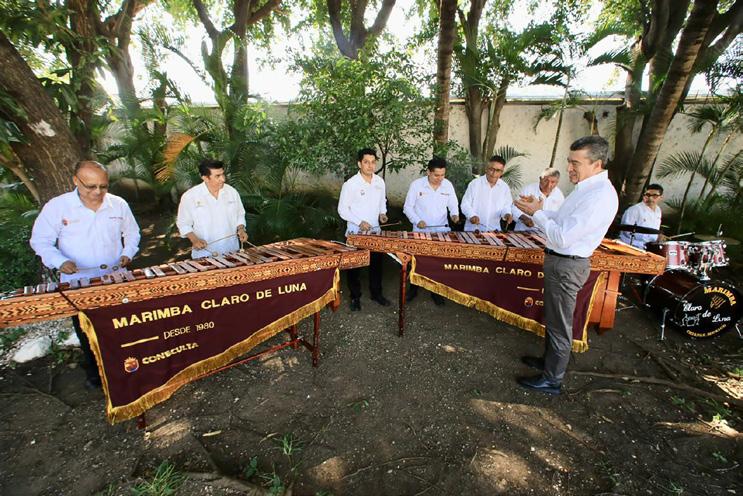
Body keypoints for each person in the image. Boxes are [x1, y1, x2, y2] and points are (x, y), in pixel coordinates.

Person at [513, 136, 618, 395]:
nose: (569, 168)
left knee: (560, 325)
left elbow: (561, 236)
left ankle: (552, 379)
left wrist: (537, 214)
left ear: (597, 164)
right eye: (569, 161)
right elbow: (561, 219)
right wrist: (538, 209)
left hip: (567, 266)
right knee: (553, 319)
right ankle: (549, 363)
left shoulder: (600, 196)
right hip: (560, 262)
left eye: (575, 163)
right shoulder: (585, 189)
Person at [30, 161, 141, 390]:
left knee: (122, 327)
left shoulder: (118, 204)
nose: (98, 192)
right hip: (77, 284)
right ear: (75, 181)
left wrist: (127, 253)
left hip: (115, 278)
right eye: (91, 186)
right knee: (87, 331)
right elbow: (40, 241)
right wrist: (60, 262)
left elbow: (132, 233)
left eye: (103, 186)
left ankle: (129, 369)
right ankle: (96, 375)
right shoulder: (57, 207)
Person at [337, 148, 391, 311]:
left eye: (373, 162)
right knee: (354, 267)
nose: (370, 165)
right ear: (359, 164)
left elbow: (382, 202)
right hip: (356, 233)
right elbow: (342, 210)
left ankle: (376, 294)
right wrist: (359, 222)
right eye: (366, 162)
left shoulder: (379, 182)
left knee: (376, 265)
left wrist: (383, 214)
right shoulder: (350, 184)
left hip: (375, 232)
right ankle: (355, 297)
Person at [403, 157, 459, 305]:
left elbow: (453, 204)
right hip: (420, 231)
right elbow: (407, 207)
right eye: (436, 175)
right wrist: (417, 220)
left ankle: (436, 292)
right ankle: (413, 289)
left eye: (442, 175)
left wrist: (454, 215)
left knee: (437, 263)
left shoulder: (447, 185)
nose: (440, 178)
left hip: (441, 230)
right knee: (417, 261)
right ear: (428, 172)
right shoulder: (417, 185)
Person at [176, 158, 248, 259]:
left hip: (232, 251)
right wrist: (194, 240)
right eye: (217, 176)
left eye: (223, 174)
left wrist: (241, 229)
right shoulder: (190, 196)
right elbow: (183, 224)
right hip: (204, 254)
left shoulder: (232, 192)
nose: (223, 179)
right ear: (205, 178)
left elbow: (240, 214)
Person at [461, 156, 513, 232]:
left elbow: (506, 206)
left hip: (494, 231)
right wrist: (471, 216)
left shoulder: (505, 188)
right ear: (486, 169)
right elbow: (465, 204)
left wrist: (507, 214)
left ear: (501, 172)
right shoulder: (475, 184)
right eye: (492, 169)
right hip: (473, 230)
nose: (494, 173)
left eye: (498, 170)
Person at [618, 184, 664, 249]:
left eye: (654, 196)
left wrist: (658, 237)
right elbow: (626, 231)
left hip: (648, 247)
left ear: (661, 197)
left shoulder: (658, 210)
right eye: (647, 195)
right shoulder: (634, 210)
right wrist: (648, 239)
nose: (650, 198)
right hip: (631, 245)